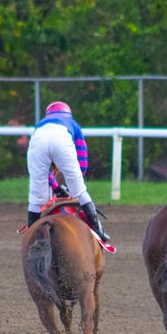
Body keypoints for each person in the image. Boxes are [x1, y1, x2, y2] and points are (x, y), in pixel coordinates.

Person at [25, 101, 111, 244]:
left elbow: (44, 171)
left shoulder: (40, 125)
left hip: (38, 141)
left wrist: (56, 189)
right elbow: (82, 157)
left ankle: (30, 239)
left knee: (36, 200)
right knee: (81, 192)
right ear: (67, 114)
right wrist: (77, 180)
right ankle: (98, 230)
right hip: (62, 140)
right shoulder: (72, 124)